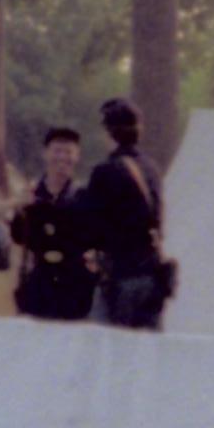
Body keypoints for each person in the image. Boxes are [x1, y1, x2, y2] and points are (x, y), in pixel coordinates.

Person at [80, 97, 170, 330]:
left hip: (121, 276)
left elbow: (91, 229)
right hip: (151, 275)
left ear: (108, 132)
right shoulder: (151, 169)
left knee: (109, 350)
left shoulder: (105, 171)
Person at [9, 125, 98, 322]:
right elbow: (17, 236)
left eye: (68, 152)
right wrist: (21, 209)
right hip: (39, 282)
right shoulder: (31, 193)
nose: (62, 157)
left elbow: (94, 238)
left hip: (74, 284)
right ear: (45, 154)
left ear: (77, 156)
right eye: (57, 150)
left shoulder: (83, 196)